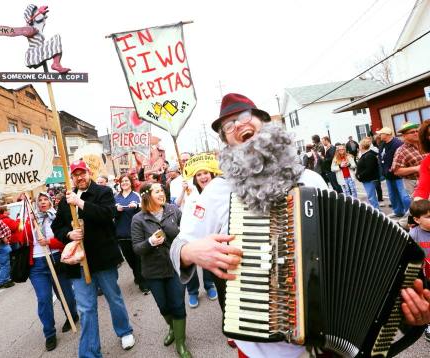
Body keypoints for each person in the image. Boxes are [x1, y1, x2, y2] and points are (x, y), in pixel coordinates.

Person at [169, 93, 430, 358]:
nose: (236, 125)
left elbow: (350, 249)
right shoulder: (217, 191)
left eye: (243, 117)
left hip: (329, 343)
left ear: (265, 124)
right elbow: (178, 246)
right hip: (262, 349)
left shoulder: (310, 179)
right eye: (227, 126)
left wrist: (405, 313)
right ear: (227, 142)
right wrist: (190, 252)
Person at [51, 160, 135, 356]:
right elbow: (58, 227)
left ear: (89, 173)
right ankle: (90, 352)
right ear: (72, 177)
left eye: (82, 173)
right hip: (79, 263)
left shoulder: (103, 192)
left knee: (114, 298)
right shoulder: (65, 200)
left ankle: (124, 331)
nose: (79, 177)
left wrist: (80, 203)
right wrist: (68, 235)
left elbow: (107, 214)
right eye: (75, 174)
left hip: (103, 258)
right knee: (86, 308)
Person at [131, 182, 191, 358]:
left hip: (175, 266)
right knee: (163, 306)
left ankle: (181, 343)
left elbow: (188, 233)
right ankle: (172, 328)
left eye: (162, 190)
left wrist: (180, 233)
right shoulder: (138, 219)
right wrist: (149, 242)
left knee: (178, 304)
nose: (162, 193)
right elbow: (136, 248)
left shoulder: (173, 210)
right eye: (157, 191)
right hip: (153, 271)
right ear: (147, 196)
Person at [29, 192, 79, 351]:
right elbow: (19, 238)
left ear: (50, 202)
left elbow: (65, 237)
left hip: (57, 259)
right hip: (37, 265)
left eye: (45, 199)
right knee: (43, 299)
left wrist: (49, 242)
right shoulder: (30, 219)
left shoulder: (56, 217)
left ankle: (72, 315)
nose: (43, 202)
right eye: (40, 200)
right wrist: (25, 222)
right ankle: (49, 334)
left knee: (65, 294)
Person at [180, 154, 221, 308]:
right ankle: (192, 292)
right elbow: (187, 217)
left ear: (211, 174)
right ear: (195, 178)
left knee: (209, 261)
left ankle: (210, 286)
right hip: (194, 235)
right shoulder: (192, 195)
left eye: (205, 173)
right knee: (191, 262)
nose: (203, 176)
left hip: (214, 236)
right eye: (199, 174)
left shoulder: (220, 191)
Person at [114, 174, 149, 294]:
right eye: (122, 181)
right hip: (122, 234)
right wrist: (116, 210)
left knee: (138, 259)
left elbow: (145, 209)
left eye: (126, 181)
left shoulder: (136, 195)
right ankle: (137, 275)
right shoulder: (116, 197)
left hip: (136, 232)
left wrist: (136, 206)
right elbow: (111, 214)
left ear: (130, 182)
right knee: (130, 259)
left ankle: (142, 283)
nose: (124, 183)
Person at [377, 127, 411, 218]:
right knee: (393, 195)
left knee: (404, 196)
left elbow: (403, 157)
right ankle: (398, 211)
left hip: (398, 175)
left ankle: (410, 213)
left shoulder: (398, 144)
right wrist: (383, 170)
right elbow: (380, 157)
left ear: (387, 134)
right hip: (388, 175)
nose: (379, 135)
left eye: (381, 133)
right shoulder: (382, 144)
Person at [408, 199, 430, 341]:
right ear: (417, 219)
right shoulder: (414, 234)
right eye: (428, 217)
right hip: (425, 275)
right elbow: (409, 255)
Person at [391, 122, 424, 197]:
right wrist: (416, 168)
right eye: (412, 132)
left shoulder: (424, 145)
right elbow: (396, 171)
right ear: (404, 135)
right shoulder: (401, 151)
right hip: (416, 183)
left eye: (417, 131)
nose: (416, 133)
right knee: (424, 206)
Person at [356, 137, 380, 209]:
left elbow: (369, 169)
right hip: (367, 179)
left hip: (369, 179)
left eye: (359, 145)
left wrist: (359, 175)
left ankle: (377, 211)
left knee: (371, 196)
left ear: (362, 146)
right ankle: (376, 211)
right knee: (371, 196)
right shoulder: (366, 154)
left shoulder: (369, 155)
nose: (359, 147)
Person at [414, 120, 430, 200]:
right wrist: (418, 200)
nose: (414, 133)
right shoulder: (427, 162)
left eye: (415, 131)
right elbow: (423, 189)